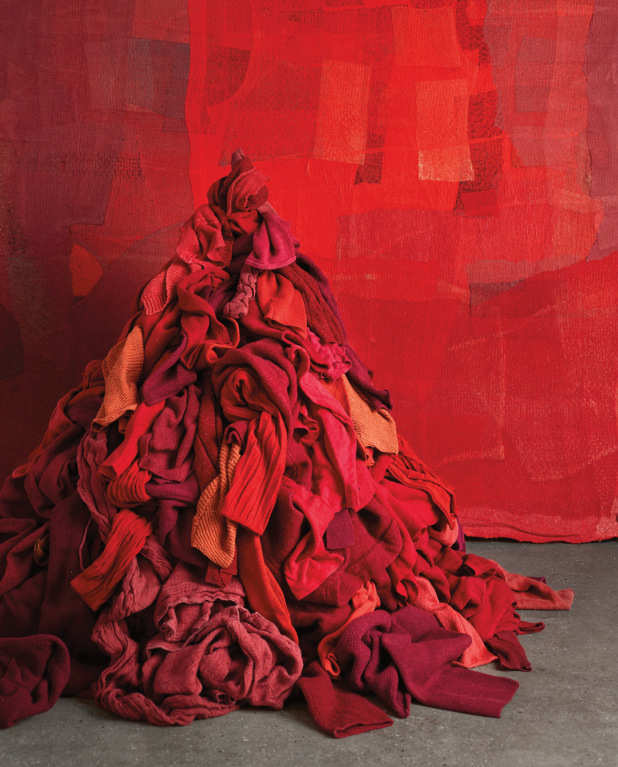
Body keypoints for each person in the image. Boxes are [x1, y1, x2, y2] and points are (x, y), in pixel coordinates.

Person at [0, 150, 573, 733]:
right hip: (218, 375)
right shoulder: (190, 291)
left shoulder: (277, 293)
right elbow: (138, 371)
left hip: (260, 375)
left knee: (309, 463)